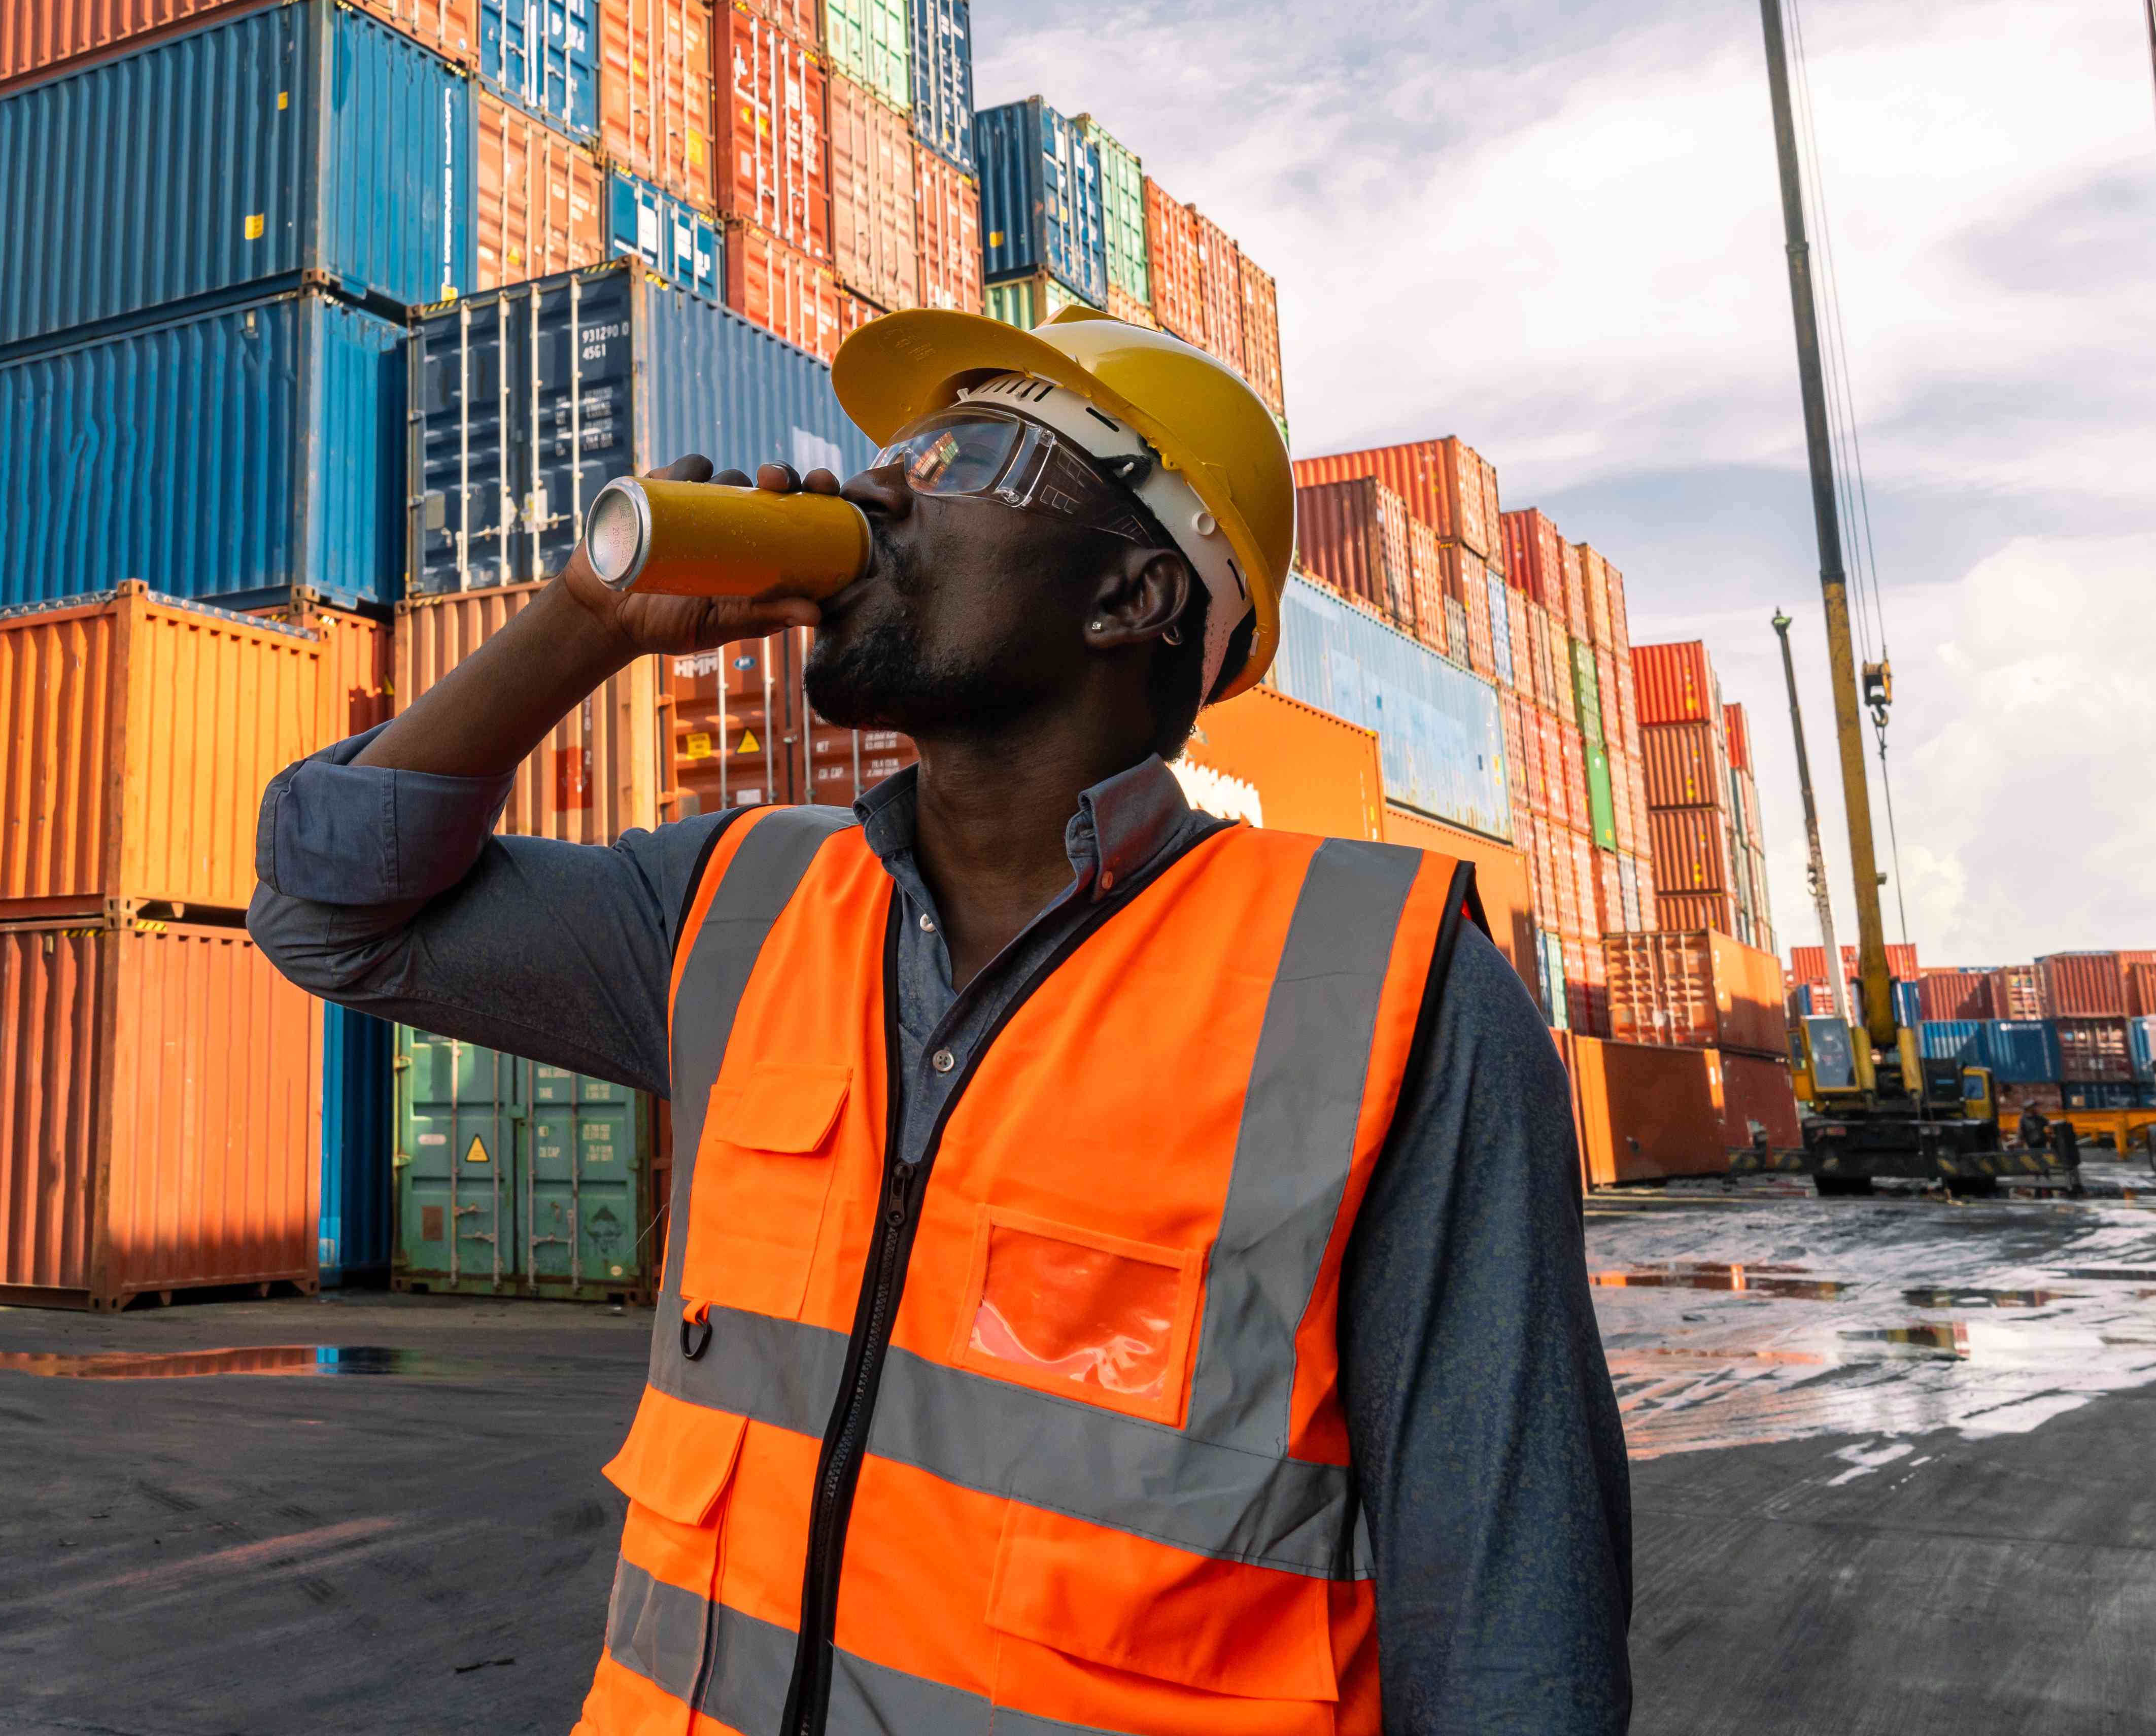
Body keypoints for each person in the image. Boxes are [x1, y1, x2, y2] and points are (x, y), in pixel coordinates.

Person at [252, 306, 1633, 1735]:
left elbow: (1512, 1640)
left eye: (973, 456)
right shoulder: (732, 907)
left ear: (1136, 598)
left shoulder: (1393, 1000)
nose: (880, 487)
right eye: (898, 448)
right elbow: (333, 915)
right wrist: (583, 625)